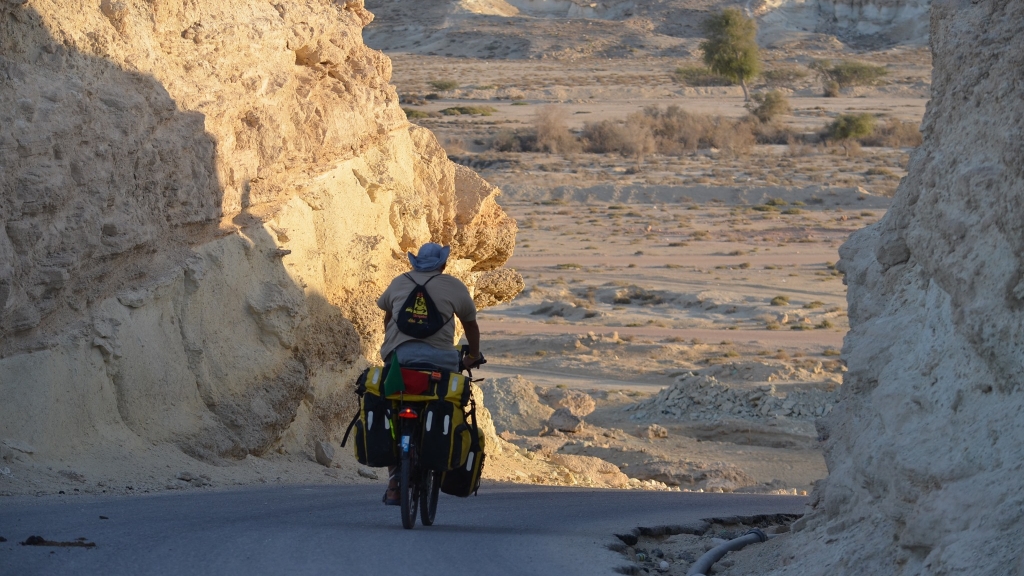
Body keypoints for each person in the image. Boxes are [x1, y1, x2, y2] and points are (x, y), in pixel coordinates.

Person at [375, 242, 482, 504]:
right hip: (441, 363)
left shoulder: (400, 281)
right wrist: (472, 356)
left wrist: (392, 347)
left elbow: (388, 318)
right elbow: (471, 327)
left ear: (414, 263)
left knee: (392, 412)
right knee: (445, 402)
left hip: (398, 361)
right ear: (443, 264)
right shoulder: (454, 286)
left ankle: (393, 484)